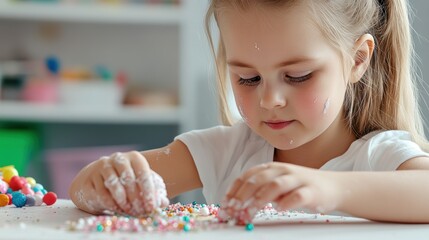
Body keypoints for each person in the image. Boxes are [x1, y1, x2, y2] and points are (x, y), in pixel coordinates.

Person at [69, 0, 429, 223]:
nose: (269, 99)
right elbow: (85, 189)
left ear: (357, 60)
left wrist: (330, 188)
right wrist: (106, 177)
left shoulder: (379, 156)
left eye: (297, 76)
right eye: (248, 77)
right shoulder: (226, 152)